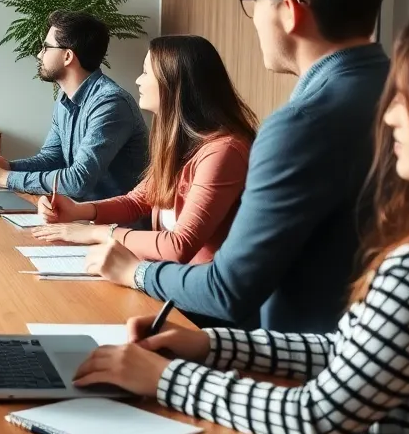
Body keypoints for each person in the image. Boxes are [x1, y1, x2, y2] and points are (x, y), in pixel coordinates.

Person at [72, 17, 409, 434]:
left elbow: (315, 418)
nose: (388, 116)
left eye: (404, 99)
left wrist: (166, 378)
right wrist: (208, 348)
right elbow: (343, 353)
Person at [84, 0, 391, 333]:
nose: (254, 18)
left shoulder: (301, 124)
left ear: (289, 10)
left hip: (299, 370)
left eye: (255, 0)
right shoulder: (403, 92)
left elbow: (228, 290)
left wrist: (134, 271)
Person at [33, 35, 256, 265]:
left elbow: (179, 245)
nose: (138, 81)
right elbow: (136, 202)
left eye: (146, 72)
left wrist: (96, 233)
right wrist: (77, 211)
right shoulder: (181, 143)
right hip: (167, 280)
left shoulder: (223, 152)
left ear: (174, 82)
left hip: (197, 293)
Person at [0, 10, 148, 201]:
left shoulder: (110, 104)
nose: (39, 55)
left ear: (67, 56)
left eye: (46, 47)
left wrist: (3, 178)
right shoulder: (65, 99)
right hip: (78, 217)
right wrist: (9, 167)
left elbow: (77, 182)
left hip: (112, 225)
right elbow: (52, 159)